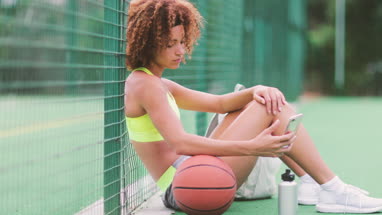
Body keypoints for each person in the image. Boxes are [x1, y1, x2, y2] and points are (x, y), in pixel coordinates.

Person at [124, 0, 382, 213]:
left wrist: (258, 89)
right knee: (270, 108)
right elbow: (180, 143)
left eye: (182, 42)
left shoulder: (159, 83)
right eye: (170, 44)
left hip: (195, 174)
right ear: (148, 42)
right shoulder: (144, 85)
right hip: (186, 186)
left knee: (260, 101)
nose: (180, 50)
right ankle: (332, 189)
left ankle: (313, 183)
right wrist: (250, 147)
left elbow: (221, 103)